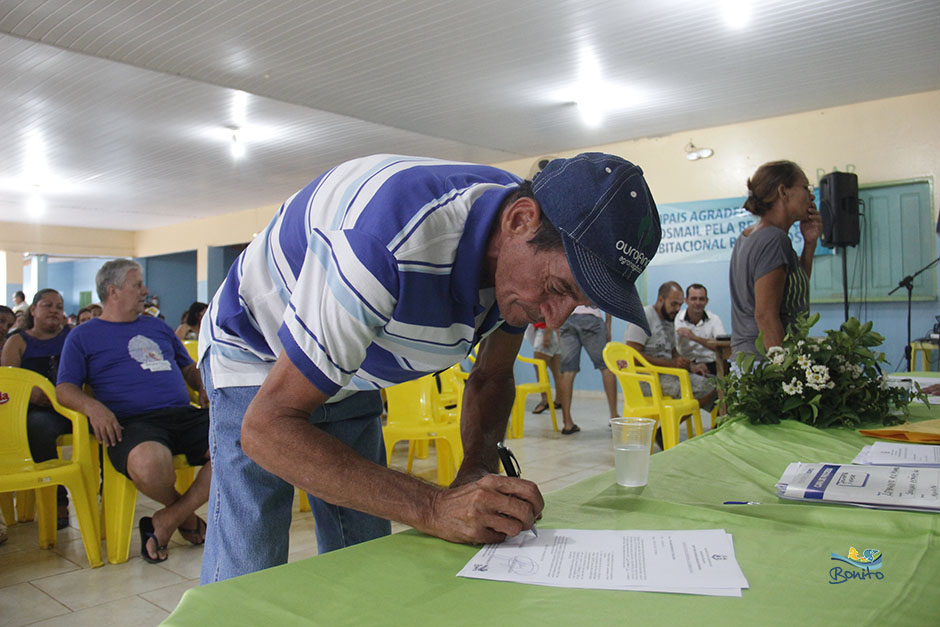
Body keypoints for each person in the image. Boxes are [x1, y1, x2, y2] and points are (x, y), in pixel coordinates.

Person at [198, 152, 662, 583]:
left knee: (363, 550)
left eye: (576, 302)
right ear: (520, 221)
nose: (555, 318)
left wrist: (476, 470)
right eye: (559, 287)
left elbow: (493, 376)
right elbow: (265, 429)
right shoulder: (382, 248)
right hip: (254, 353)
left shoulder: (516, 251)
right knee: (251, 555)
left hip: (352, 357)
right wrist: (434, 506)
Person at [56, 259, 212, 564]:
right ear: (113, 291)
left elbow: (187, 368)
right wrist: (93, 407)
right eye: (137, 284)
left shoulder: (157, 327)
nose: (146, 290)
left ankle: (168, 519)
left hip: (183, 414)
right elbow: (65, 388)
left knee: (242, 442)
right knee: (150, 464)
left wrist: (203, 383)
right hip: (133, 423)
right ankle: (186, 517)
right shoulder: (82, 336)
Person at [730, 160, 822, 360]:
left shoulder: (748, 237)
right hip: (765, 363)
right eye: (806, 187)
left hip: (750, 359)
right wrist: (785, 372)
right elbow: (765, 315)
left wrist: (810, 244)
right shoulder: (773, 239)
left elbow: (793, 293)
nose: (812, 195)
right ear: (784, 192)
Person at [1, 289, 73, 528]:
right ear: (33, 310)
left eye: (59, 306)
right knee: (38, 426)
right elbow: (8, 386)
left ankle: (107, 486)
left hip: (72, 407)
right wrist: (30, 394)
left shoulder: (72, 336)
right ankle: (56, 500)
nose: (54, 310)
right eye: (47, 305)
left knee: (111, 420)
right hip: (36, 412)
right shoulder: (18, 341)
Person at [624, 281, 717, 412]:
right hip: (646, 379)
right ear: (661, 299)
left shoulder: (669, 319)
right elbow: (632, 356)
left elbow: (673, 353)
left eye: (680, 305)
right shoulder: (644, 316)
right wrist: (672, 364)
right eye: (674, 304)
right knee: (707, 388)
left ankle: (716, 422)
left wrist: (691, 366)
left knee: (715, 383)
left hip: (668, 374)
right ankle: (666, 428)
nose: (678, 309)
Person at [556, 307, 619, 435]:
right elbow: (606, 295)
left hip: (567, 318)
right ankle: (614, 416)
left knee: (567, 371)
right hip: (591, 318)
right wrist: (608, 324)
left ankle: (567, 422)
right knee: (606, 367)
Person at [675, 283, 727, 375]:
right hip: (686, 365)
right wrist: (692, 366)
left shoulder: (714, 319)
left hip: (712, 364)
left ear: (706, 301)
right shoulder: (676, 319)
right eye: (693, 299)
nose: (698, 303)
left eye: (701, 299)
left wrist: (694, 338)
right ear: (686, 300)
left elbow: (723, 348)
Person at [523, 323, 562, 414]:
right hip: (554, 332)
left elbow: (548, 312)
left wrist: (547, 333)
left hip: (545, 331)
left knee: (540, 368)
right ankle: (559, 400)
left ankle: (545, 400)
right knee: (556, 371)